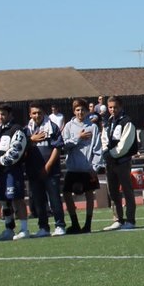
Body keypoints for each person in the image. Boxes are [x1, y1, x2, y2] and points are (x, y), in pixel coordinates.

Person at [0, 104, 31, 241]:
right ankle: (9, 228)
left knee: (17, 199)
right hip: (1, 172)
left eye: (3, 114)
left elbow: (16, 151)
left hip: (12, 171)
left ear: (10, 115)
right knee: (4, 200)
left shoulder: (17, 129)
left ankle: (24, 229)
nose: (1, 117)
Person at [26, 102, 65, 236]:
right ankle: (43, 227)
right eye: (34, 113)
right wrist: (31, 140)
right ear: (30, 114)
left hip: (50, 170)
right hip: (33, 170)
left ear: (44, 113)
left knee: (54, 199)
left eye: (39, 113)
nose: (37, 115)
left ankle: (60, 225)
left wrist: (47, 166)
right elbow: (22, 147)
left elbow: (57, 147)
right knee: (39, 201)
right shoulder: (27, 130)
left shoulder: (52, 127)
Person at [61, 99, 99, 234]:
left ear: (87, 111)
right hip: (72, 168)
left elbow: (97, 148)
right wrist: (78, 137)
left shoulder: (93, 127)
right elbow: (64, 145)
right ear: (73, 111)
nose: (80, 112)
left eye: (82, 109)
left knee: (89, 195)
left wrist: (94, 167)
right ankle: (75, 223)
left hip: (87, 168)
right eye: (77, 110)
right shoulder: (69, 126)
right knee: (66, 194)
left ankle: (88, 224)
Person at [101, 96, 138, 231]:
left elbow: (125, 144)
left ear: (120, 107)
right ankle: (118, 219)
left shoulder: (127, 122)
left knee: (127, 190)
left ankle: (130, 219)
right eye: (110, 107)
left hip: (122, 161)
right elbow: (104, 138)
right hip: (110, 163)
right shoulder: (108, 122)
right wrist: (105, 151)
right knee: (113, 191)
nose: (113, 110)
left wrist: (112, 154)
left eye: (115, 107)